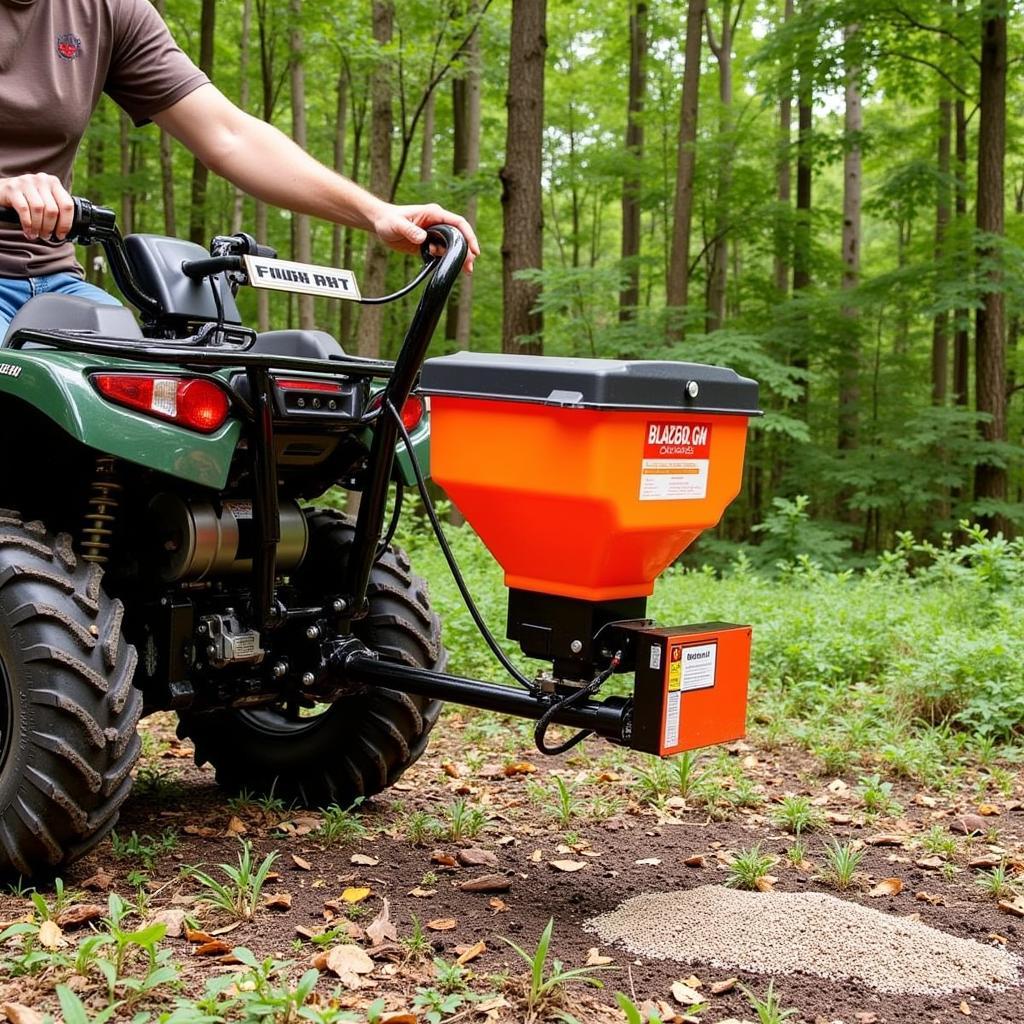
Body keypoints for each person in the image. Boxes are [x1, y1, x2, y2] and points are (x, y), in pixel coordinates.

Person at [0, 0, 480, 339]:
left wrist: (376, 213)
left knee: (159, 410)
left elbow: (229, 136)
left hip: (56, 280)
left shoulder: (106, 8)